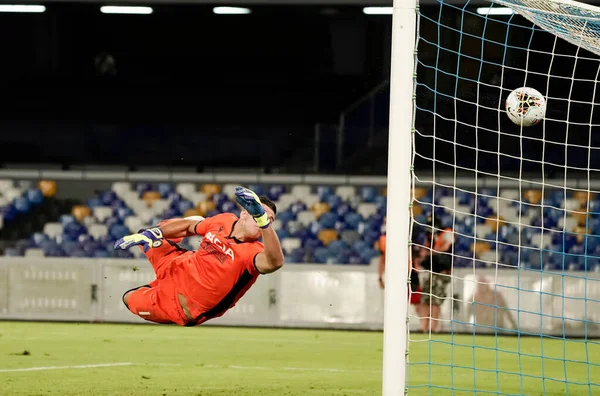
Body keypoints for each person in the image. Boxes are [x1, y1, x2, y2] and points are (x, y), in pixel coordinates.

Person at [113, 186, 284, 326]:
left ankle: (156, 289)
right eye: (259, 214)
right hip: (176, 264)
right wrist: (154, 233)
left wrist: (262, 220)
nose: (265, 221)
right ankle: (156, 256)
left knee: (129, 298)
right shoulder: (224, 220)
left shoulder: (254, 252)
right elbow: (189, 227)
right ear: (245, 213)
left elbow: (275, 263)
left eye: (270, 220)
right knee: (150, 233)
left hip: (177, 305)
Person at [419, 214, 453, 333]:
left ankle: (433, 327)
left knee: (436, 300)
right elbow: (425, 249)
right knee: (425, 299)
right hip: (430, 271)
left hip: (442, 272)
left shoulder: (447, 232)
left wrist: (430, 252)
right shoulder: (430, 235)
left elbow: (446, 247)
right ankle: (424, 326)